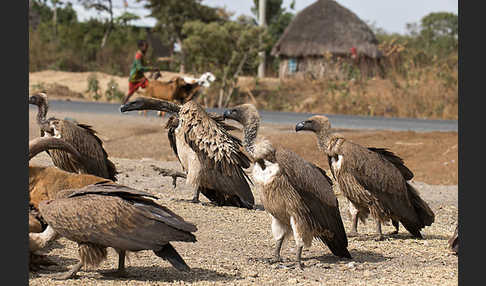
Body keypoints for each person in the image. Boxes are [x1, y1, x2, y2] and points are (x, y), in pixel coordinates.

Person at [122, 39, 156, 104]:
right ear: (141, 47)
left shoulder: (142, 55)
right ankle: (123, 105)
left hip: (140, 76)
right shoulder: (138, 55)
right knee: (131, 92)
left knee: (149, 85)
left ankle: (148, 101)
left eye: (147, 47)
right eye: (145, 47)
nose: (146, 49)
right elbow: (140, 68)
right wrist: (151, 69)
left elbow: (144, 64)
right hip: (134, 77)